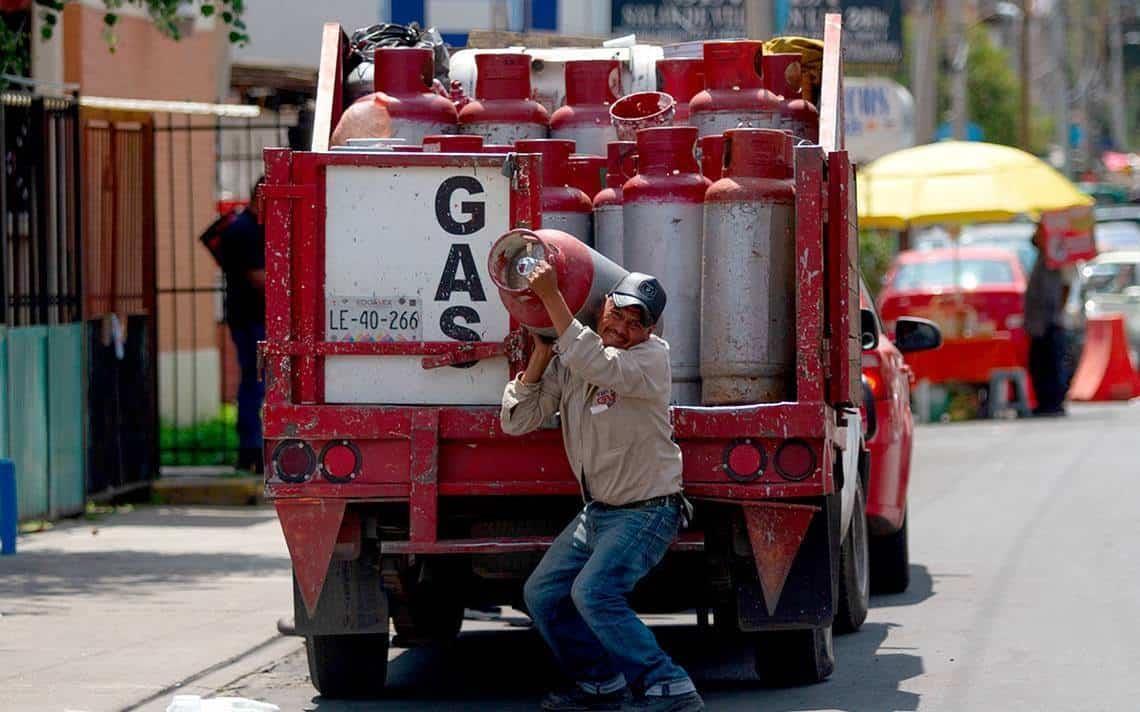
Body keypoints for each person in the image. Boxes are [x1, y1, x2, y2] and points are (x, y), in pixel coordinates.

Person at [500, 262, 703, 712]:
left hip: (648, 510)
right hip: (599, 512)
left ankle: (669, 686)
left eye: (638, 323)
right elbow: (517, 420)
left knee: (594, 593)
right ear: (602, 307)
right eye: (619, 313)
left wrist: (551, 298)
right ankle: (599, 683)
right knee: (542, 594)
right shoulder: (576, 359)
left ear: (651, 332)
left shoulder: (650, 359)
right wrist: (540, 353)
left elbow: (596, 361)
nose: (625, 328)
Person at [220, 180, 267, 472]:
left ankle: (251, 449)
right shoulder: (245, 230)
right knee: (255, 381)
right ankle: (251, 449)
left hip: (250, 317)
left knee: (255, 381)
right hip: (250, 319)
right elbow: (258, 277)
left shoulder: (248, 227)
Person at [1025, 222, 1071, 416]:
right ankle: (1045, 402)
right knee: (1039, 363)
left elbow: (1066, 286)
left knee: (1052, 364)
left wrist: (1057, 312)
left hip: (1051, 322)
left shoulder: (1057, 257)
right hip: (1038, 323)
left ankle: (1053, 403)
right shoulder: (1042, 257)